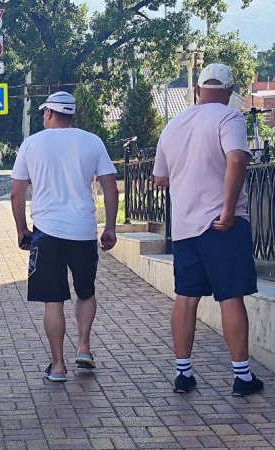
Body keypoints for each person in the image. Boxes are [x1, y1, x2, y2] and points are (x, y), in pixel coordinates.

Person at [153, 63, 263, 396]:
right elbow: (236, 160)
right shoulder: (229, 117)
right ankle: (242, 377)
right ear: (230, 92)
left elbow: (160, 178)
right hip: (221, 224)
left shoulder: (173, 125)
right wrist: (228, 210)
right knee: (230, 296)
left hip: (185, 226)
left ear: (198, 89)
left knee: (186, 297)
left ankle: (183, 373)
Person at [10, 91, 119, 382]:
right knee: (86, 291)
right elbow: (110, 187)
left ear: (48, 114)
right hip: (83, 231)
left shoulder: (31, 144)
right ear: (71, 115)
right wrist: (110, 227)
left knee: (53, 301)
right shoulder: (92, 142)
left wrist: (22, 228)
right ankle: (84, 347)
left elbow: (17, 192)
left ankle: (57, 366)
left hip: (47, 232)